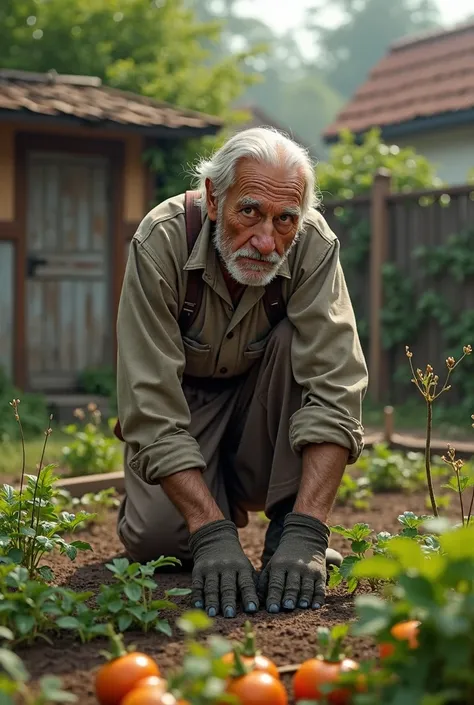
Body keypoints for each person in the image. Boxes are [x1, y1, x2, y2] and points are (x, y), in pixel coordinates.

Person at [115, 126, 368, 620]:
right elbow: (150, 403)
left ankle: (286, 529)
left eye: (285, 219)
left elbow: (336, 387)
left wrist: (309, 527)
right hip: (186, 407)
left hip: (263, 408)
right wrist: (208, 531)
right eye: (249, 211)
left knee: (298, 341)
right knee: (158, 544)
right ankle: (213, 506)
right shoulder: (161, 240)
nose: (266, 241)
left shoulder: (313, 244)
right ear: (213, 198)